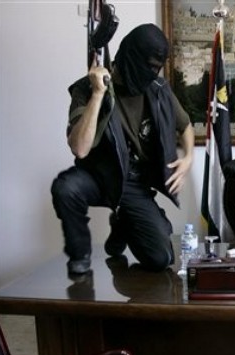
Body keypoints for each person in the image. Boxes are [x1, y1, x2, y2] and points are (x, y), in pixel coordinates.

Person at [51, 24, 195, 275]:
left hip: (132, 183)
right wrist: (98, 94)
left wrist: (189, 158)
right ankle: (80, 255)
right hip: (98, 174)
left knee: (161, 258)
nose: (153, 73)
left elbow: (185, 126)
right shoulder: (86, 89)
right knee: (66, 187)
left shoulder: (158, 89)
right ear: (131, 56)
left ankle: (122, 224)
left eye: (157, 67)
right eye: (149, 65)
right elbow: (80, 148)